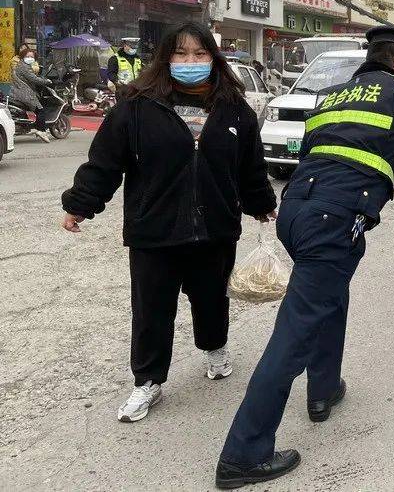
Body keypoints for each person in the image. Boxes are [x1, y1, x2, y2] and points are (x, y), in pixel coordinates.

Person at [215, 25, 394, 489]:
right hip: (333, 222)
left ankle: (323, 389)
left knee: (331, 296)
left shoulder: (330, 94)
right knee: (293, 334)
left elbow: (315, 153)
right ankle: (243, 455)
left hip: (296, 212)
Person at [61, 22, 277, 423]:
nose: (190, 62)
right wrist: (81, 203)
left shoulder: (234, 109)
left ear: (214, 58)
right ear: (166, 59)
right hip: (153, 229)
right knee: (151, 309)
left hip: (215, 228)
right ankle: (147, 382)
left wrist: (261, 203)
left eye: (199, 54)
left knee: (212, 299)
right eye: (181, 54)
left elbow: (250, 167)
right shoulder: (136, 106)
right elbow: (105, 162)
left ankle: (215, 349)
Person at [11, 45, 53, 143]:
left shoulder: (20, 65)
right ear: (22, 56)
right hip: (24, 94)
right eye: (28, 56)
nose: (30, 58)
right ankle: (41, 130)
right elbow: (33, 78)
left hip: (17, 92)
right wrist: (46, 81)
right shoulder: (24, 67)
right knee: (40, 110)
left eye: (32, 57)